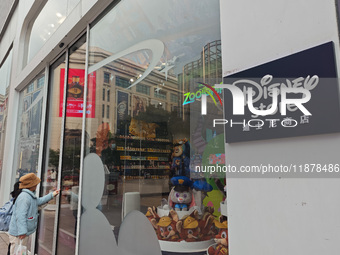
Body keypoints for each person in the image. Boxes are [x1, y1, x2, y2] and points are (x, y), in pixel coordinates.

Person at [8, 173, 59, 255]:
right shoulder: (24, 197)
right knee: (18, 252)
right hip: (18, 234)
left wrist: (52, 195)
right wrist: (22, 232)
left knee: (20, 252)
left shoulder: (28, 195)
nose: (37, 185)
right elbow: (20, 216)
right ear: (31, 185)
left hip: (20, 233)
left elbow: (39, 201)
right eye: (35, 183)